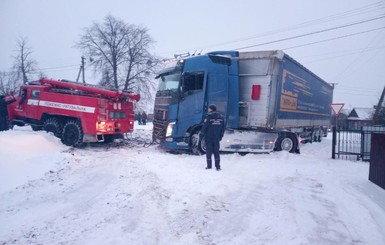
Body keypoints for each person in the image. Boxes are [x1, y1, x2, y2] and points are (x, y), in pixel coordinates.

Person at [200, 104, 225, 171]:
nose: (208, 109)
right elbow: (223, 128)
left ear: (211, 109)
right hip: (216, 138)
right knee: (216, 152)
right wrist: (220, 136)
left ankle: (209, 166)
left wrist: (201, 135)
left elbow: (205, 127)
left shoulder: (209, 117)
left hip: (209, 137)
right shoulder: (221, 117)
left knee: (209, 152)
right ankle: (218, 166)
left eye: (209, 108)